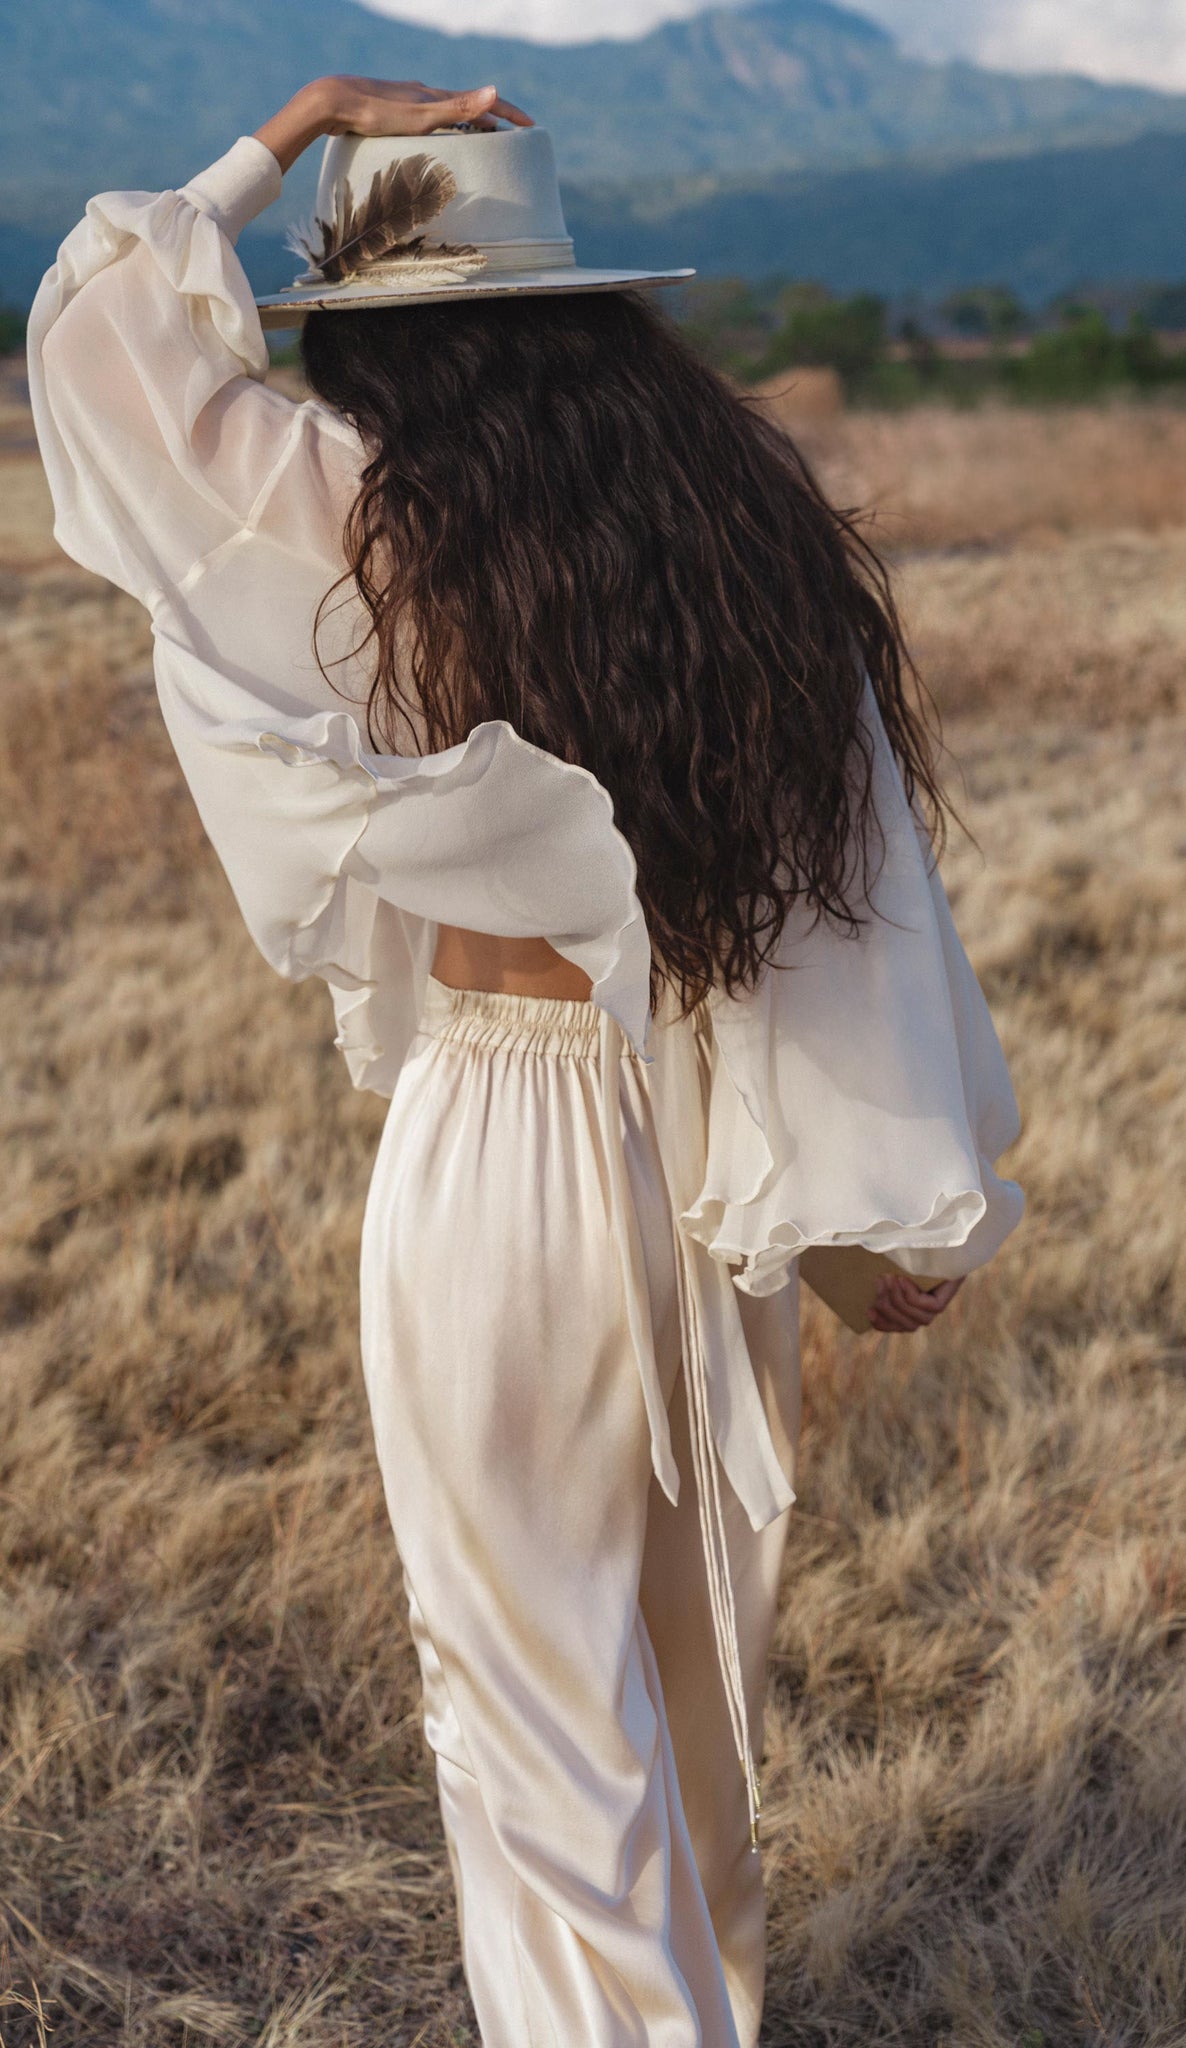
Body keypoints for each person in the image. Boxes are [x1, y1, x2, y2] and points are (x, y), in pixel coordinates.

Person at [29, 73, 1023, 2048]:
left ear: (390, 341)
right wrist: (872, 1200)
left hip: (495, 1148)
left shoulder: (371, 528)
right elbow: (854, 907)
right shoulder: (740, 547)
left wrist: (293, 122)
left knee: (531, 1722)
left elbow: (99, 331)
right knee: (691, 1695)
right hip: (694, 1166)